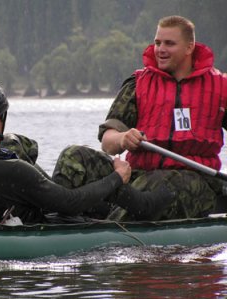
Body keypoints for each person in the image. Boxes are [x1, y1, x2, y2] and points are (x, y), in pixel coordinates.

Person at [0, 80, 173, 224]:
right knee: (76, 156)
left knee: (67, 156)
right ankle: (144, 205)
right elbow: (69, 203)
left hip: (29, 207)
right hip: (47, 219)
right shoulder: (10, 170)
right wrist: (117, 177)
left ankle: (127, 205)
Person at [97, 15, 227, 220]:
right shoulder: (137, 84)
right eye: (157, 43)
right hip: (140, 175)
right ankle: (58, 220)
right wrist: (123, 139)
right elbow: (108, 142)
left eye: (169, 43)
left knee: (162, 182)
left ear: (189, 47)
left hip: (194, 181)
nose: (160, 49)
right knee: (75, 157)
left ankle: (108, 228)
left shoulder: (221, 87)